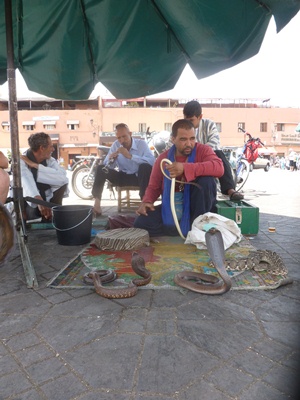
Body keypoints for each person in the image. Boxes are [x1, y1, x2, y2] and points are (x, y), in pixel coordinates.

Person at [134, 119, 224, 236]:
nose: (189, 144)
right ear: (173, 139)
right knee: (141, 223)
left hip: (197, 206)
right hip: (172, 205)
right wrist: (147, 201)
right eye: (183, 139)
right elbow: (153, 186)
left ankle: (195, 227)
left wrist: (185, 168)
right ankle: (183, 228)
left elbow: (219, 168)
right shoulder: (163, 158)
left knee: (207, 181)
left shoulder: (203, 150)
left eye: (192, 139)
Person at [183, 100, 244, 200]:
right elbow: (170, 146)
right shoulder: (180, 127)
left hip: (206, 159)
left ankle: (229, 189)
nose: (188, 123)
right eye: (186, 119)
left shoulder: (209, 124)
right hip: (187, 160)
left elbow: (214, 143)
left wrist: (199, 153)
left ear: (200, 117)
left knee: (219, 154)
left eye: (191, 120)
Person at [92, 123, 155, 215]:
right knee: (100, 168)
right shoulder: (116, 145)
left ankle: (144, 203)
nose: (122, 140)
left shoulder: (141, 144)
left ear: (130, 134)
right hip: (123, 177)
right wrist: (111, 159)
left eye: (124, 137)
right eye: (119, 138)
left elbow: (152, 162)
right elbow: (107, 167)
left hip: (139, 178)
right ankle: (97, 204)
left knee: (144, 167)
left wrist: (130, 156)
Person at [20, 132, 69, 221]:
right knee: (30, 198)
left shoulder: (49, 160)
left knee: (62, 184)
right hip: (30, 204)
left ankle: (56, 215)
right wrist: (39, 200)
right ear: (42, 148)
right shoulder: (22, 161)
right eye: (51, 146)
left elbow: (63, 178)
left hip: (48, 199)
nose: (53, 149)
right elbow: (26, 180)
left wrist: (36, 166)